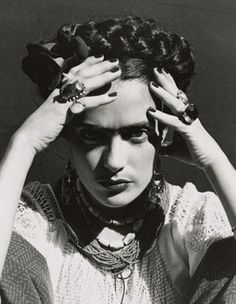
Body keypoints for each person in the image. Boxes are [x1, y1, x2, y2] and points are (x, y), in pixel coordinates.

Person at [0, 15, 235, 304]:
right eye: (92, 136)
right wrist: (23, 144)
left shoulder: (193, 219)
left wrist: (213, 159)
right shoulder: (31, 222)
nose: (113, 161)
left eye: (136, 133)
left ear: (163, 130)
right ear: (65, 133)